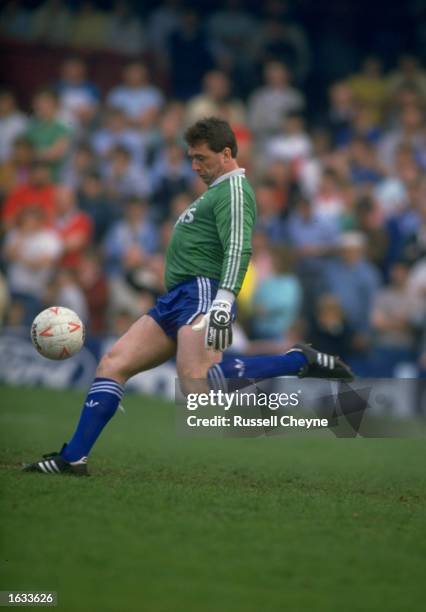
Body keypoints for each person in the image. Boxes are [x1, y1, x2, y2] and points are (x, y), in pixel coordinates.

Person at [24, 117, 353, 476]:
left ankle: (295, 362)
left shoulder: (235, 190)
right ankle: (73, 458)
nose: (195, 166)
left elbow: (239, 248)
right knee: (113, 364)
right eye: (191, 158)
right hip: (177, 297)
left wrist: (225, 301)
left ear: (226, 153)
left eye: (201, 158)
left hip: (202, 292)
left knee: (196, 385)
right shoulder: (213, 193)